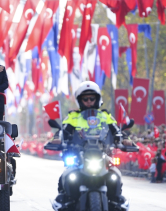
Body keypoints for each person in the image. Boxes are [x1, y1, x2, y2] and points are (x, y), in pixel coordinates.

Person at [53, 81, 131, 211]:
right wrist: (56, 139)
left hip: (103, 154)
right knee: (66, 175)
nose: (89, 101)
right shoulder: (73, 117)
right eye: (85, 98)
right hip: (79, 156)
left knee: (115, 174)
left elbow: (117, 131)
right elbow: (62, 131)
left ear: (97, 99)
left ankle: (116, 200)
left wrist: (125, 139)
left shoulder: (105, 116)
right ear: (80, 100)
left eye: (92, 98)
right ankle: (65, 201)